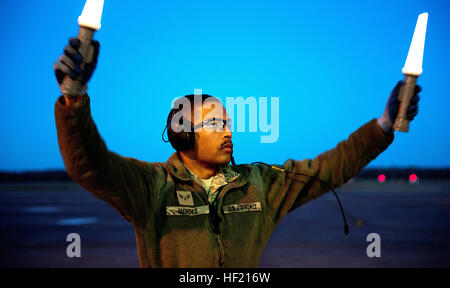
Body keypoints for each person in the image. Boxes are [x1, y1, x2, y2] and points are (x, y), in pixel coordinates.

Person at [53, 37, 421, 268]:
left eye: (228, 122)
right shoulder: (152, 187)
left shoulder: (258, 185)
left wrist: (385, 124)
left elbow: (328, 168)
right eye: (213, 124)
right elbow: (90, 165)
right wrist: (74, 99)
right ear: (183, 136)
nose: (227, 130)